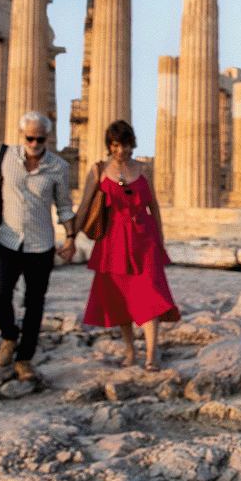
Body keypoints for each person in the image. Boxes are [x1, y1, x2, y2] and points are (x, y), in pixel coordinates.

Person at [0, 111, 77, 382]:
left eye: (40, 139)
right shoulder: (4, 157)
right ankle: (9, 336)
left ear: (47, 138)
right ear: (23, 135)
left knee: (34, 304)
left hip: (41, 244)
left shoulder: (58, 166)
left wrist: (70, 238)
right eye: (30, 138)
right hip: (8, 240)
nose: (34, 144)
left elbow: (64, 206)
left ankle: (25, 358)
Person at [75, 120, 179, 370]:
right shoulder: (99, 170)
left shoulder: (144, 168)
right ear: (110, 146)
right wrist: (70, 237)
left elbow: (153, 205)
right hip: (113, 241)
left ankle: (152, 354)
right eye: (115, 145)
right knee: (120, 297)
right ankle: (131, 351)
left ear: (132, 144)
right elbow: (85, 205)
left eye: (125, 145)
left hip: (144, 238)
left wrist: (160, 239)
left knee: (151, 291)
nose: (121, 150)